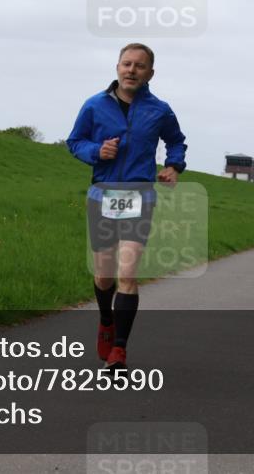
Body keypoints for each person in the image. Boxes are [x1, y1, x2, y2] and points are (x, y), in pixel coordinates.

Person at [67, 43, 186, 371]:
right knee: (104, 273)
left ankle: (119, 349)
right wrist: (96, 151)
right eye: (127, 63)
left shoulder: (159, 110)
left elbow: (176, 140)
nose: (132, 70)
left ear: (150, 73)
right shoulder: (94, 105)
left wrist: (173, 166)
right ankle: (106, 320)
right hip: (102, 195)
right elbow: (75, 141)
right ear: (118, 67)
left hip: (139, 195)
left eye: (139, 65)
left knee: (128, 273)